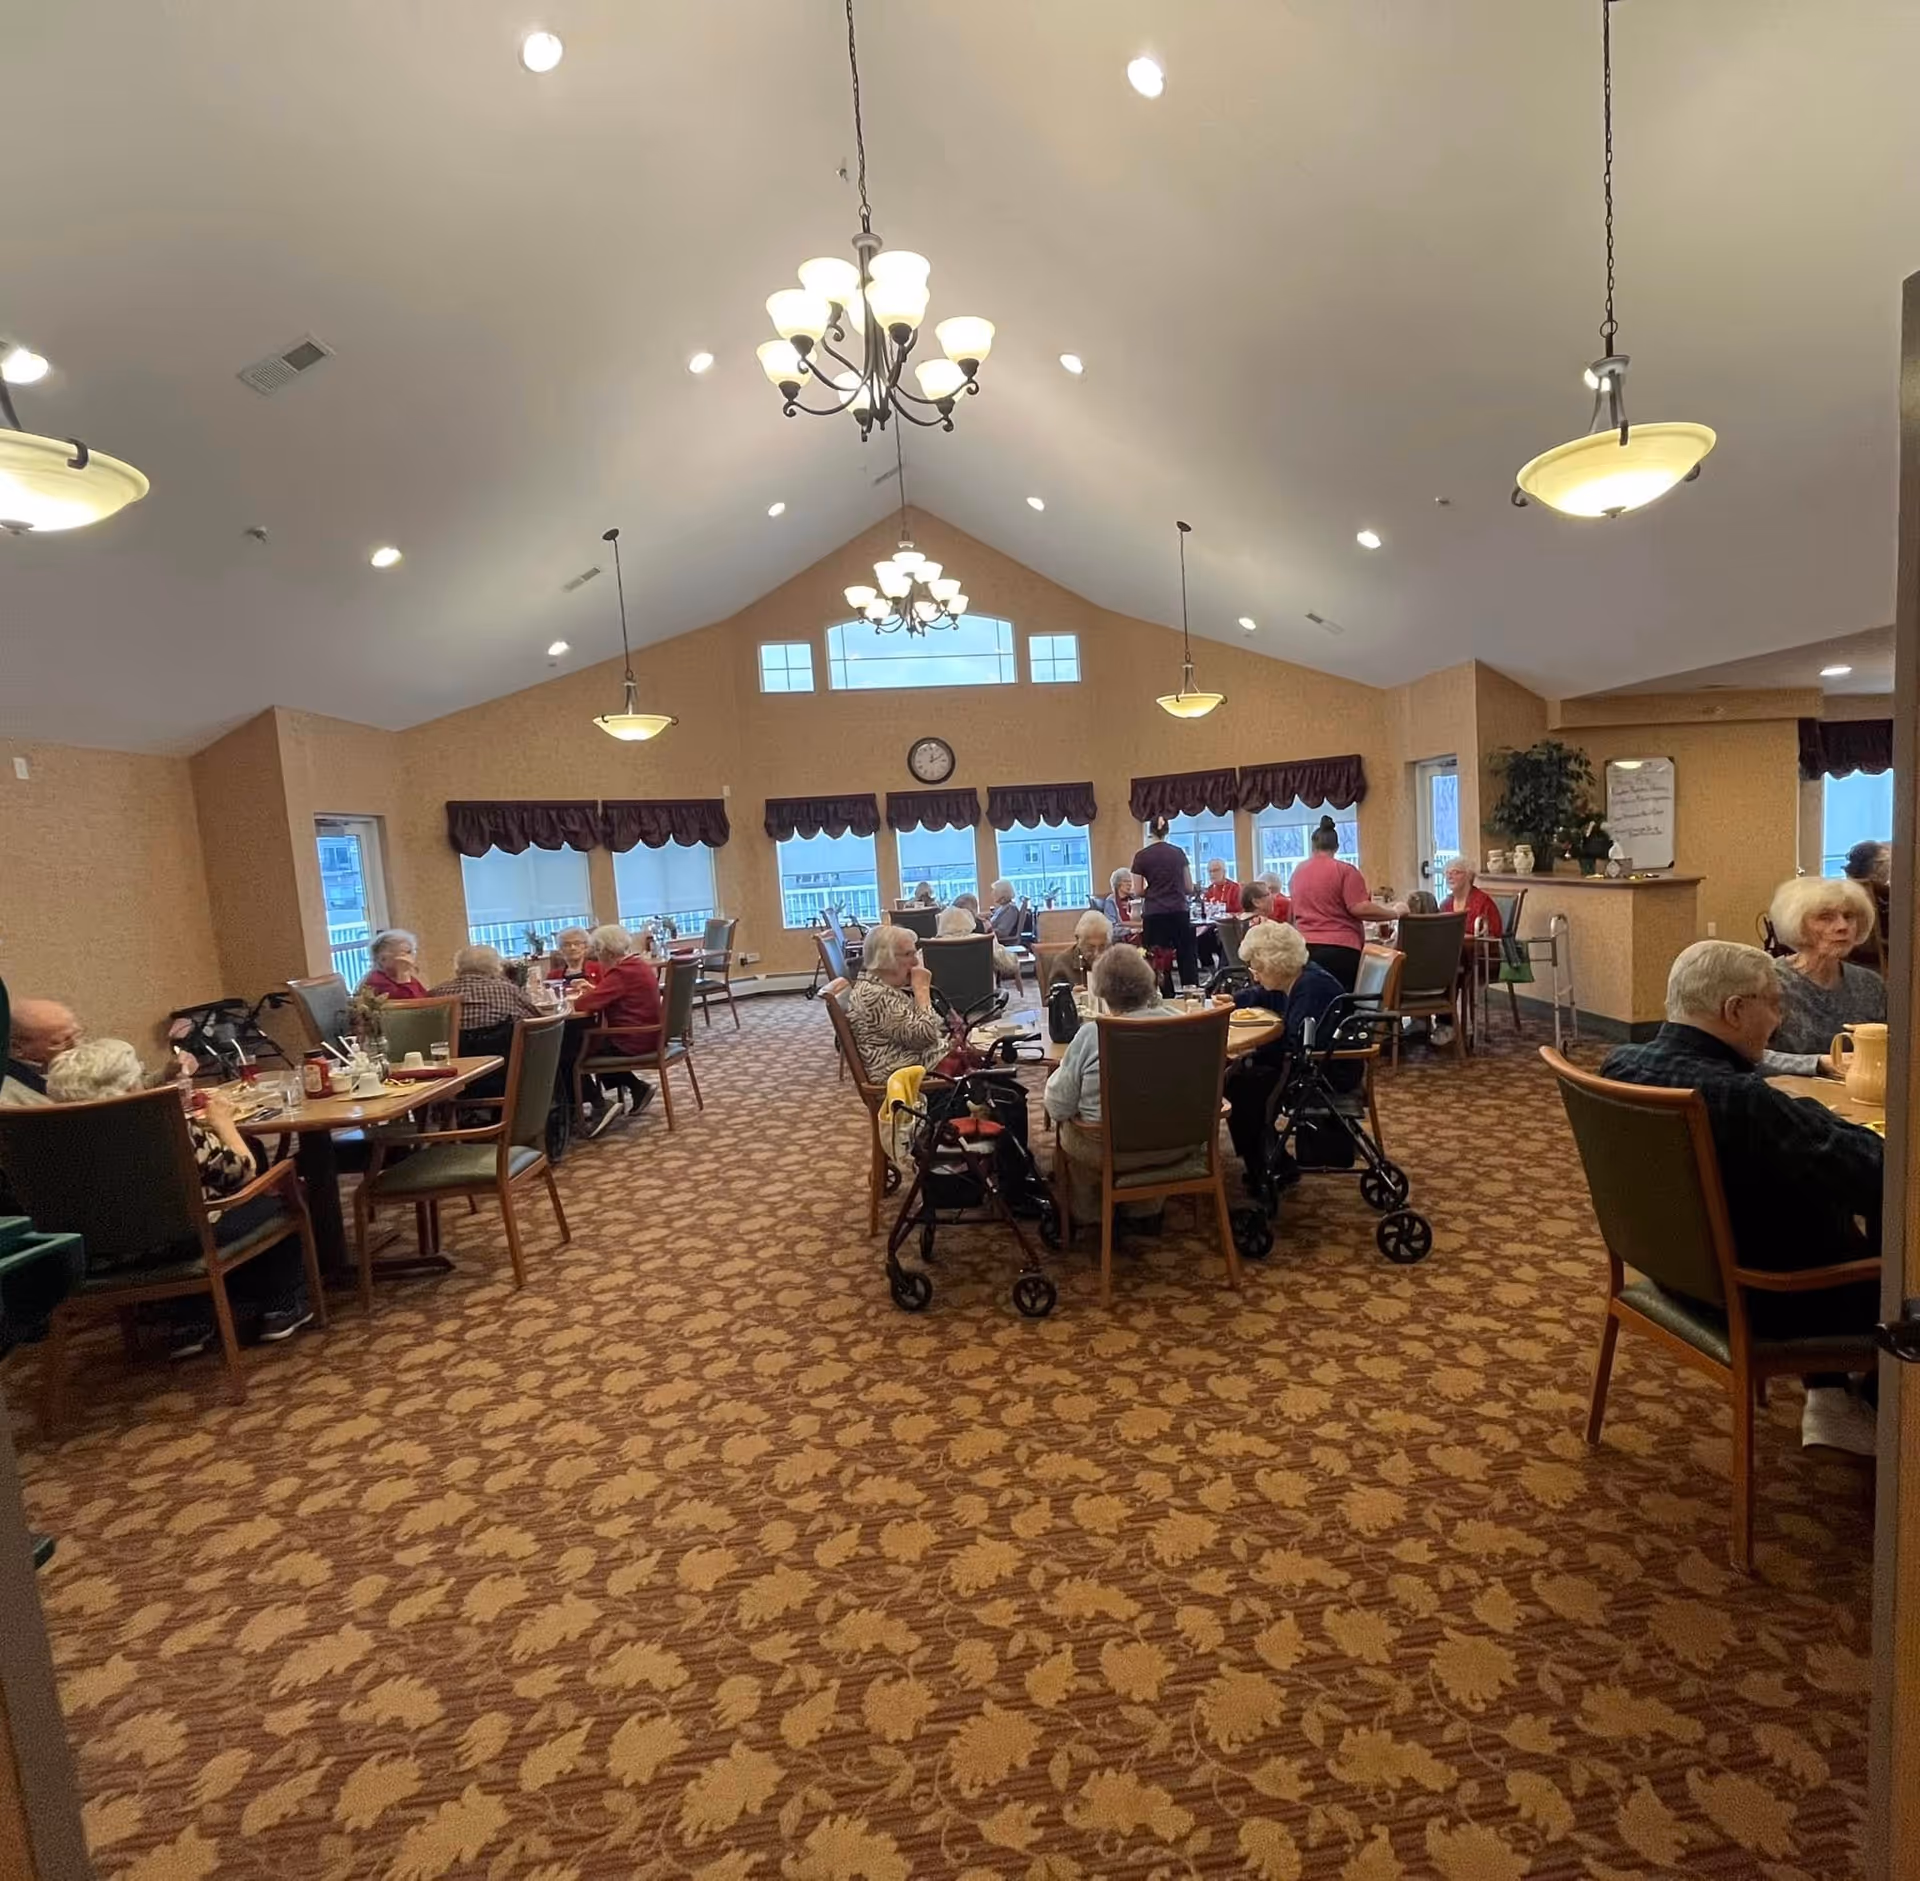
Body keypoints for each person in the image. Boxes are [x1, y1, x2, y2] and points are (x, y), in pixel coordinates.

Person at [1602, 940, 1884, 1455]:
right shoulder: (1741, 1099)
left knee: (1812, 1201)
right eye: (1774, 1004)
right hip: (1771, 1295)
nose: (1778, 1019)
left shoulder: (1620, 1066)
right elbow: (1874, 1173)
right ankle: (1888, 1414)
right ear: (1735, 1010)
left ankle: (1832, 1398)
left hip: (1677, 1272)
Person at [44, 1039, 314, 1354]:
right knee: (276, 1194)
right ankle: (281, 1306)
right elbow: (241, 1171)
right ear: (131, 1084)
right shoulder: (161, 1124)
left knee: (161, 1214)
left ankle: (191, 1320)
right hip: (178, 1244)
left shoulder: (36, 1139)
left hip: (91, 1255)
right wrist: (223, 1124)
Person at [1043, 943, 1179, 1221]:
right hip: (1180, 1141)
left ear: (1101, 990)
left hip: (1110, 1149)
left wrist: (1058, 1077)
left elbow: (1058, 1108)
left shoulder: (1092, 1034)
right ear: (1148, 982)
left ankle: (1092, 1213)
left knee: (1070, 1129)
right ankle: (1146, 1207)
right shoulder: (1183, 1024)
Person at [1219, 922, 1355, 1188]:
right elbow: (1265, 995)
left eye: (1256, 969)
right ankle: (1268, 1160)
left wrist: (1252, 1051)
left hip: (1325, 1071)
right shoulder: (1299, 978)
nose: (1255, 976)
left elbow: (1293, 1045)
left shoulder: (1311, 988)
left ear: (1274, 966)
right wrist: (1235, 1000)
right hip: (1309, 1061)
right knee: (1241, 1074)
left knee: (1242, 1084)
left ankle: (1268, 1167)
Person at [1759, 876, 1886, 1077]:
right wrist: (1818, 1063)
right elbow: (1746, 1056)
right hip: (1787, 1098)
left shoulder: (1870, 983)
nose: (1842, 926)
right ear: (1797, 924)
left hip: (1859, 1093)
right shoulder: (1766, 981)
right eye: (1826, 917)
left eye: (1849, 916)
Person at [1286, 818, 1404, 990]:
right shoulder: (1345, 871)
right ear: (1336, 847)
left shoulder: (1298, 872)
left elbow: (1293, 913)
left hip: (1305, 947)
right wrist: (1395, 912)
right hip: (1341, 949)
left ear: (1313, 847)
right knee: (1344, 999)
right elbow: (1359, 908)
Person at [569, 924, 660, 1136]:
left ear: (607, 952)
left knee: (570, 1055)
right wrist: (595, 990)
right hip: (648, 1033)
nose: (597, 957)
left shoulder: (621, 973)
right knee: (588, 1044)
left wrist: (588, 994)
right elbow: (612, 995)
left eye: (597, 952)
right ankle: (637, 1088)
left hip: (632, 1039)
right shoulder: (636, 965)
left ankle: (599, 1103)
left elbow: (584, 1005)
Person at [430, 946, 545, 1095]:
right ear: (495, 968)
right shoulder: (507, 990)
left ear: (458, 967)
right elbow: (537, 1019)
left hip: (454, 1073)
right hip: (504, 1069)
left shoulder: (437, 993)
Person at [845, 924, 948, 1082]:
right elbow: (925, 1035)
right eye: (908, 954)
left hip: (920, 1069)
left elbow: (936, 1025)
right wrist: (921, 990)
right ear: (885, 958)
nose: (915, 962)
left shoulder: (885, 988)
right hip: (907, 1084)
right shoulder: (873, 995)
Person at [1131, 818, 1199, 994]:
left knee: (1158, 957)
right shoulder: (1178, 853)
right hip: (1179, 911)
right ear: (1167, 831)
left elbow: (1137, 890)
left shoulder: (1141, 856)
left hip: (1154, 913)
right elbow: (1189, 887)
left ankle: (1164, 994)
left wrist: (1153, 891)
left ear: (1150, 831)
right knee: (1186, 954)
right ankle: (1190, 993)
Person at [3, 998, 80, 1107]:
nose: (76, 1045)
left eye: (77, 1034)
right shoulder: (9, 1097)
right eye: (59, 1042)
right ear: (17, 1047)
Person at [360, 930, 429, 1001]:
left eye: (411, 952)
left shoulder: (402, 977)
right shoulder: (376, 980)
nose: (410, 958)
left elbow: (426, 999)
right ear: (383, 959)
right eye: (405, 953)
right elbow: (410, 1004)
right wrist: (403, 974)